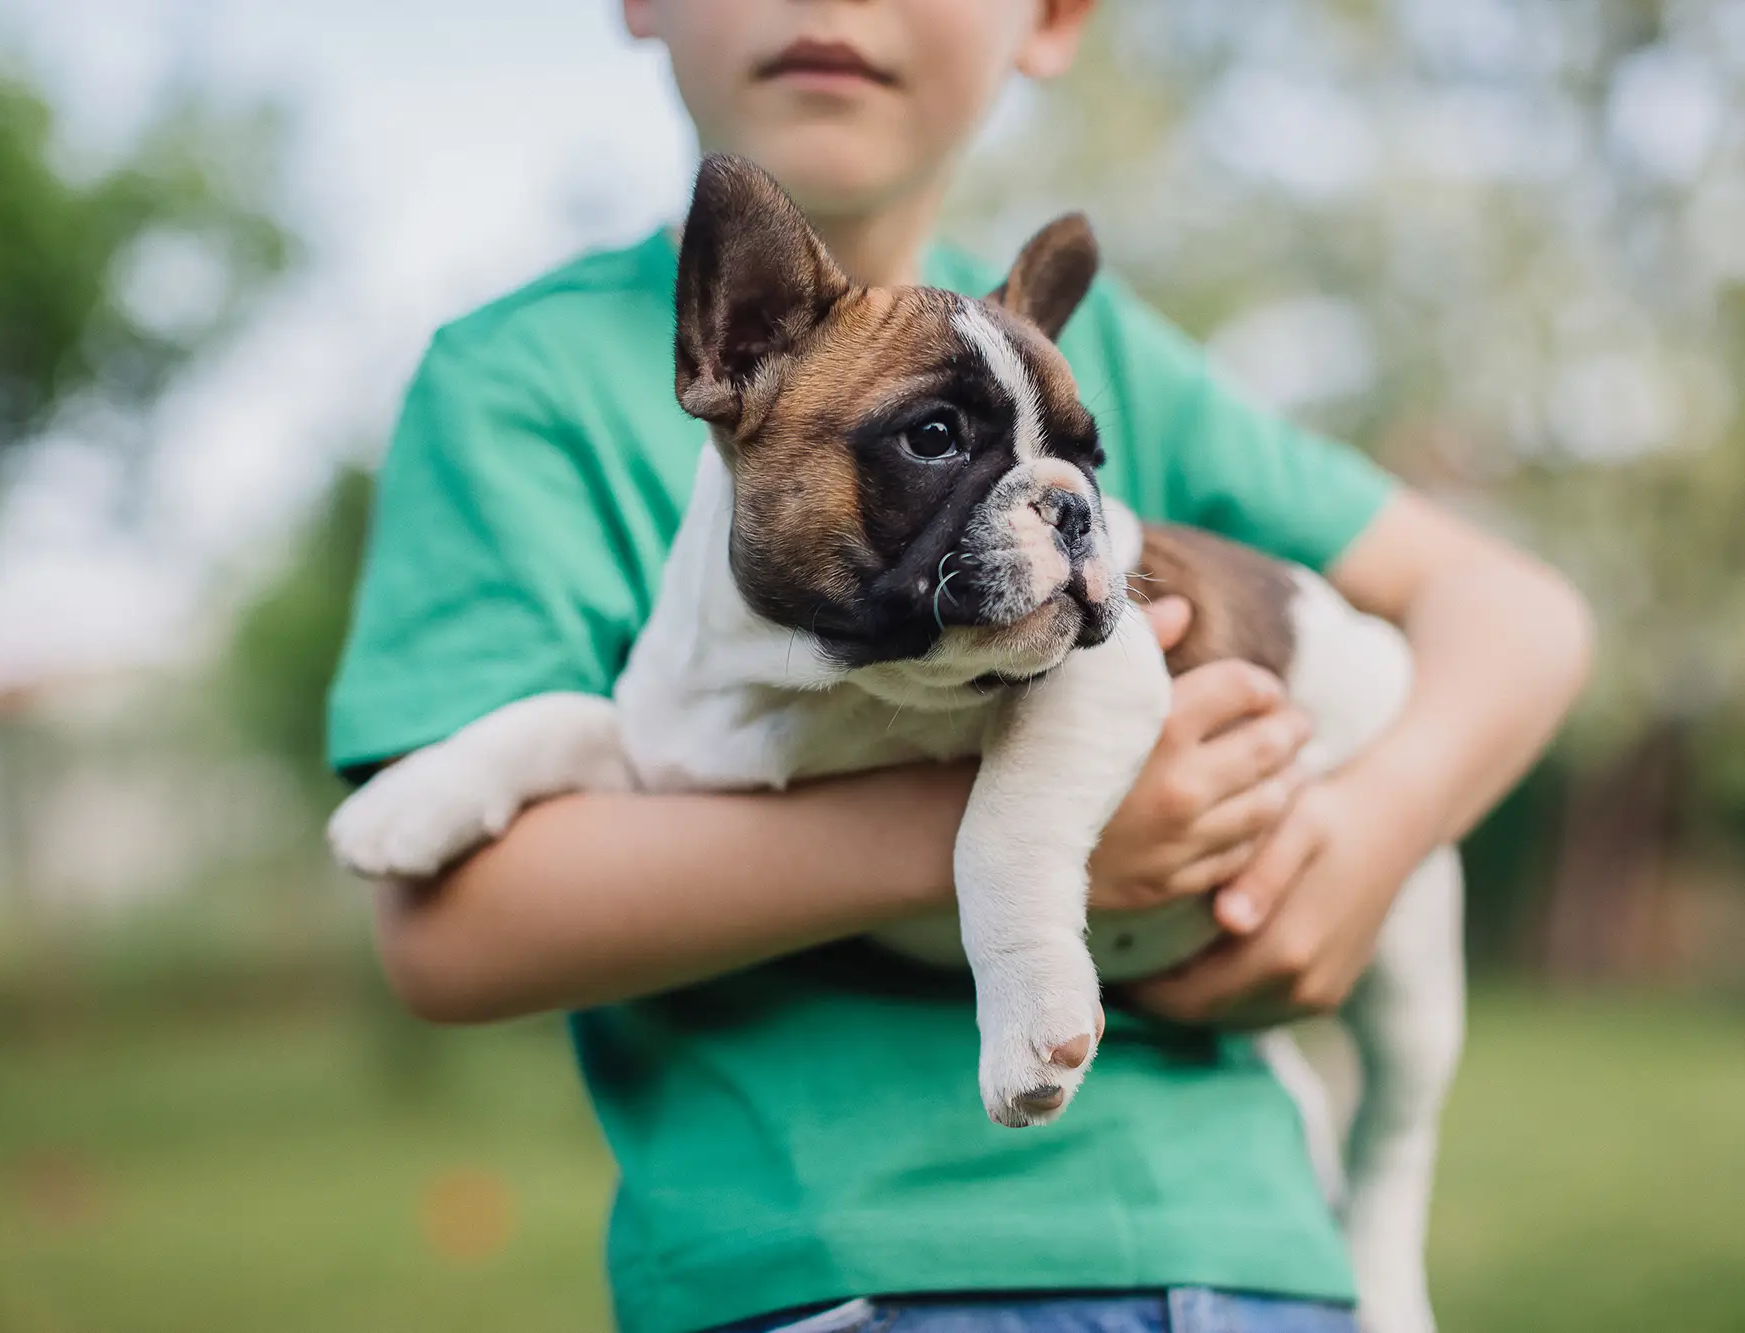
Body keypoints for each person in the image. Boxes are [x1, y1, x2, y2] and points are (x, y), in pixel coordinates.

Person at [325, 3, 1594, 1331]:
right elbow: (549, 841)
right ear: (730, 352)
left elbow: (1503, 617)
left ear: (1049, 20)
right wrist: (995, 852)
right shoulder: (525, 386)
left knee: (1404, 1084)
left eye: (1072, 466)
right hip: (839, 1264)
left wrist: (1374, 826)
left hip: (1248, 1246)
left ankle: (1380, 1194)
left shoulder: (1085, 371)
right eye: (934, 441)